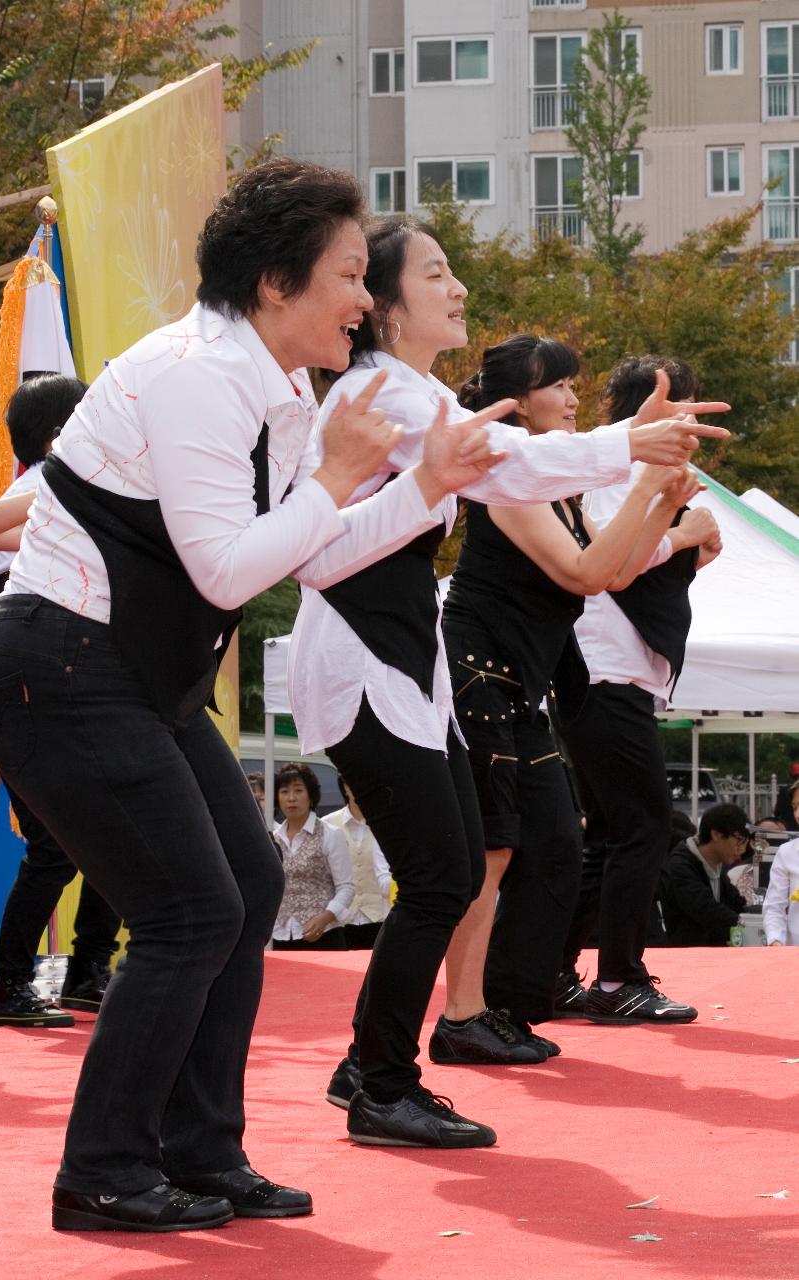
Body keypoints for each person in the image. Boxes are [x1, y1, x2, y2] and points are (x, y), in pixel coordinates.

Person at [0, 160, 503, 1233]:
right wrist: (334, 479)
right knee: (191, 908)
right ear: (275, 281)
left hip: (128, 676)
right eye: (352, 275)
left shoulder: (272, 386)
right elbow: (227, 569)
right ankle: (105, 1169)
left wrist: (424, 488)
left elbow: (316, 554)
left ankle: (200, 1149)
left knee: (249, 882)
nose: (366, 299)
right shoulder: (198, 375)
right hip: (60, 670)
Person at [288, 215, 730, 1148]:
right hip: (372, 657)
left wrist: (632, 458)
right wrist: (632, 448)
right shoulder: (385, 396)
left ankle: (375, 1066)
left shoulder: (415, 395)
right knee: (448, 873)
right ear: (386, 302)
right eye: (436, 274)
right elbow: (522, 473)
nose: (456, 289)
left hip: (408, 665)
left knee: (456, 869)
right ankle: (381, 1076)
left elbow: (526, 482)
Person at [433, 335, 710, 1068]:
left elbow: (612, 571)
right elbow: (588, 571)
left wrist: (658, 495)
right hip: (476, 671)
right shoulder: (506, 479)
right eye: (556, 385)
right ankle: (463, 1014)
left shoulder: (554, 486)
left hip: (525, 682)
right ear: (516, 404)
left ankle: (517, 1002)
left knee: (556, 842)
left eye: (572, 384)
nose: (572, 396)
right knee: (492, 851)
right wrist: (651, 486)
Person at [556, 355, 724, 1022]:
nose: (691, 425)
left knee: (611, 834)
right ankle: (616, 978)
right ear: (650, 408)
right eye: (684, 410)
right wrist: (682, 531)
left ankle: (552, 971)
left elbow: (640, 571)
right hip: (603, 672)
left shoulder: (632, 471)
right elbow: (610, 565)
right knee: (644, 828)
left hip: (612, 672)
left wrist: (689, 543)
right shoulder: (610, 470)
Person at [0, 376, 123, 1031]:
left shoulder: (64, 485)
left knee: (111, 837)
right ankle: (8, 981)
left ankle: (88, 971)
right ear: (62, 433)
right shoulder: (41, 488)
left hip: (69, 673)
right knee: (58, 846)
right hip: (36, 676)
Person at [272, 763, 354, 950]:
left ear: (311, 795)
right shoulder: (273, 838)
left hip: (324, 935)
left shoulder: (330, 833)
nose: (291, 798)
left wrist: (326, 917)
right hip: (282, 935)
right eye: (284, 792)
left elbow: (346, 887)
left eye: (299, 791)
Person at [660, 803, 749, 945]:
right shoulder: (680, 865)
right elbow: (706, 910)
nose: (742, 849)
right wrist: (748, 926)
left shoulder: (717, 865)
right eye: (739, 841)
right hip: (685, 957)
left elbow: (736, 903)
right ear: (716, 834)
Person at [322, 775, 391, 949]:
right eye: (350, 781)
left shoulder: (387, 823)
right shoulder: (327, 825)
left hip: (380, 917)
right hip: (340, 922)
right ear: (344, 787)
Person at [763, 780, 799, 945]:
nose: (797, 814)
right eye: (795, 807)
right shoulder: (786, 852)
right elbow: (774, 907)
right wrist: (775, 940)